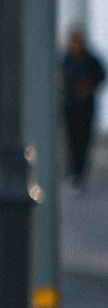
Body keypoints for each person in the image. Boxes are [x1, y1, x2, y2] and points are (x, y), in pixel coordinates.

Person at [64, 29, 105, 192]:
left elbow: (101, 76)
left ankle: (80, 174)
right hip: (71, 106)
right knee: (72, 142)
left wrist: (89, 87)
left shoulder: (91, 59)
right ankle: (74, 173)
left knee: (83, 141)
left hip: (86, 108)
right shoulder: (67, 59)